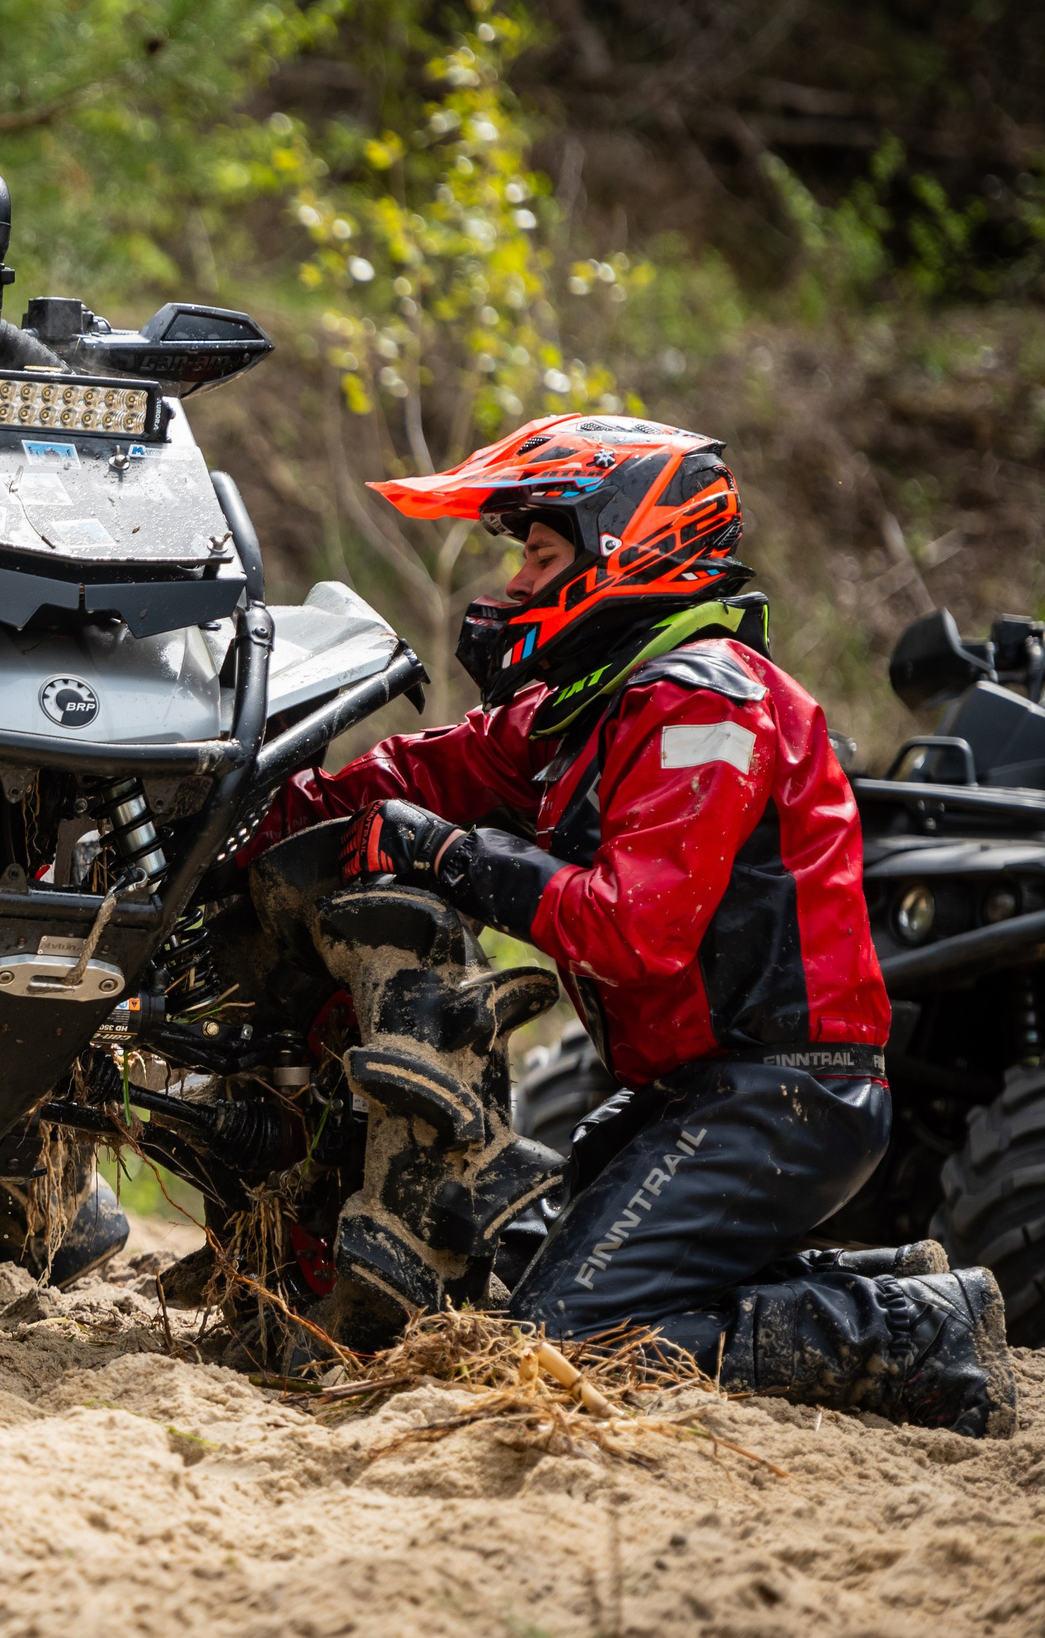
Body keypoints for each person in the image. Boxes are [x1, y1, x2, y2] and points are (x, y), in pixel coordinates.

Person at [247, 413, 1016, 1437]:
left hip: (783, 1090)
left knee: (564, 1343)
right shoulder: (593, 704)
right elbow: (424, 768)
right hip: (692, 1090)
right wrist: (252, 812)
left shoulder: (707, 701)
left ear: (626, 548)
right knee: (511, 1270)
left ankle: (917, 1328)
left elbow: (630, 929)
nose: (517, 582)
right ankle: (882, 1279)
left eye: (542, 551)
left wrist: (445, 853)